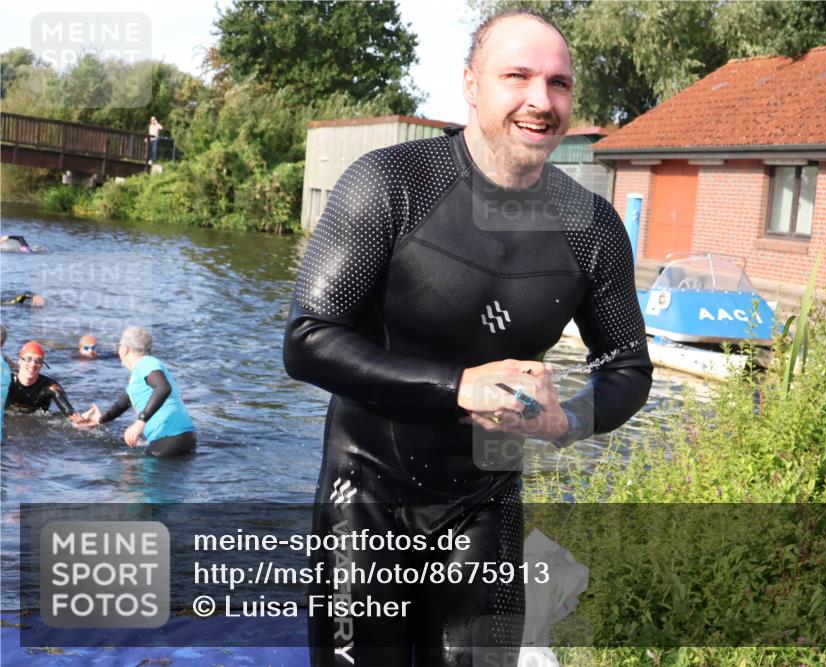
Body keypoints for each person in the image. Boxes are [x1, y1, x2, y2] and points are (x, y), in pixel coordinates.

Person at [283, 9, 652, 666]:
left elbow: (626, 366)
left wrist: (567, 419)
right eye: (518, 76)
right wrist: (459, 386)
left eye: (559, 84)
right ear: (471, 85)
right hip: (365, 494)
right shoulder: (391, 183)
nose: (541, 101)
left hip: (484, 502)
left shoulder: (591, 228)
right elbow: (308, 338)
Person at [75, 326, 195, 457]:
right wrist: (99, 420)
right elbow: (122, 404)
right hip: (183, 438)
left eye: (119, 346)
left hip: (169, 438)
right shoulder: (141, 372)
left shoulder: (146, 364)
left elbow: (163, 388)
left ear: (125, 349)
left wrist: (139, 423)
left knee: (128, 473)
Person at [5, 341, 77, 418]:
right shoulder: (6, 380)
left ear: (42, 365)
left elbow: (68, 411)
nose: (33, 364)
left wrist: (77, 419)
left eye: (38, 361)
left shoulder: (50, 386)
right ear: (20, 361)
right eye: (28, 359)